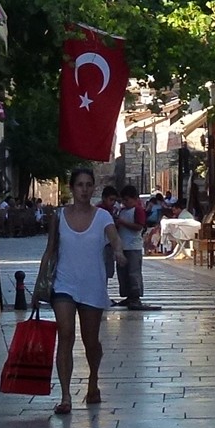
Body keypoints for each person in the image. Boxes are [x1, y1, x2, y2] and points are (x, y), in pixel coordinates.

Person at [38, 165, 120, 414]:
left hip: (92, 285)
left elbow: (114, 239)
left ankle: (93, 379)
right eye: (79, 185)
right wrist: (39, 284)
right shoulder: (59, 216)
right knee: (65, 333)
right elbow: (50, 249)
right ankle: (65, 396)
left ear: (93, 188)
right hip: (64, 283)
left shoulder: (103, 217)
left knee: (90, 340)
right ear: (72, 188)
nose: (84, 190)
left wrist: (119, 252)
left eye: (88, 185)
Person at [114, 182, 146, 308]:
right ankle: (127, 295)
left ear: (135, 199)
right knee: (123, 273)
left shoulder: (137, 210)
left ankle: (135, 296)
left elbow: (139, 226)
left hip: (133, 247)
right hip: (123, 247)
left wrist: (123, 223)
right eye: (123, 200)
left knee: (133, 272)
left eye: (127, 200)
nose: (125, 203)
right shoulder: (122, 211)